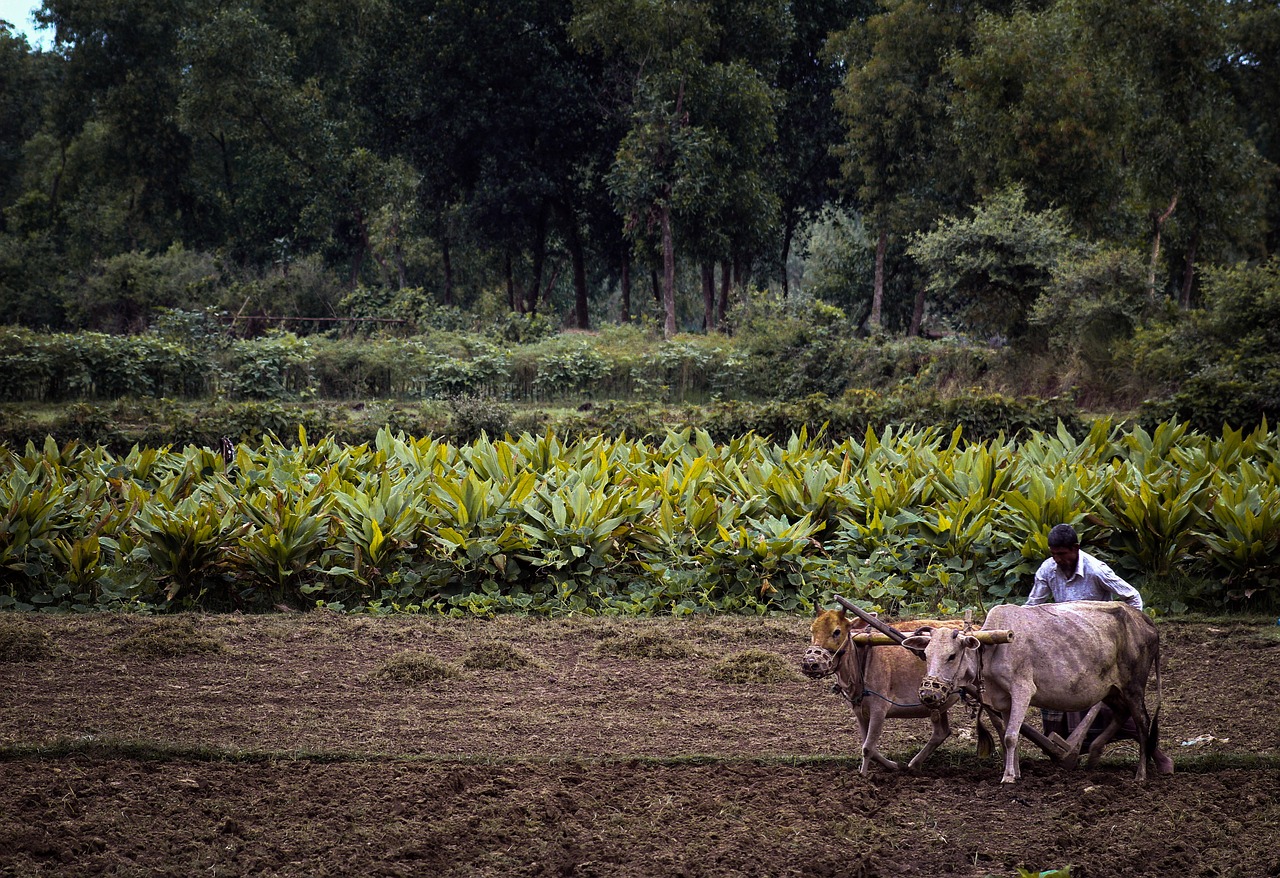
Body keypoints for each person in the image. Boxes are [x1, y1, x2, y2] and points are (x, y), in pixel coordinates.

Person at [1027, 523, 1174, 774]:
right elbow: (1032, 607)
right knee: (1054, 696)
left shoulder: (1096, 570)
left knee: (1117, 706)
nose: (1057, 559)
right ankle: (1071, 751)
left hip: (1099, 645)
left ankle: (1158, 756)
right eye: (1053, 554)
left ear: (1076, 549)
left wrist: (1126, 636)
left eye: (1062, 554)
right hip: (1065, 644)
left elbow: (1132, 597)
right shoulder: (1048, 570)